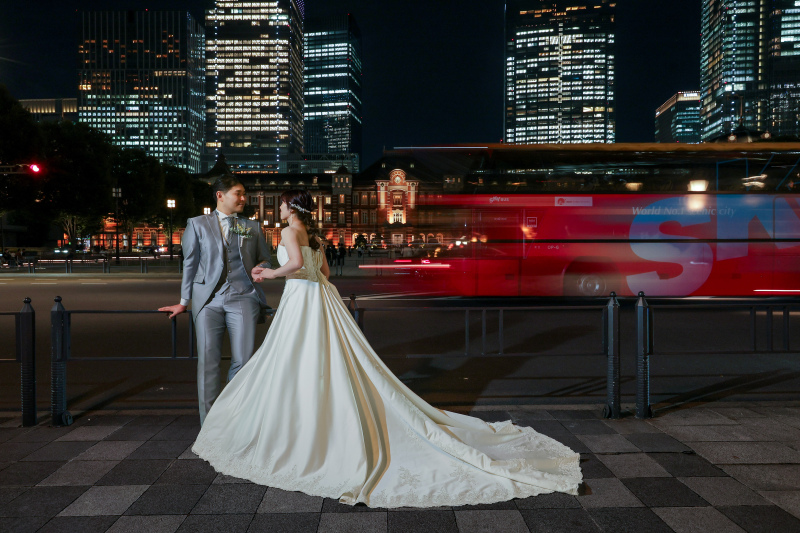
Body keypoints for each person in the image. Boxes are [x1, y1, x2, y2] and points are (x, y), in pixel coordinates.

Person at [191, 189, 582, 508]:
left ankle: (304, 416)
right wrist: (298, 272)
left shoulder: (291, 232)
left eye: (280, 204)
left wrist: (268, 272)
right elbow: (323, 273)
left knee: (293, 359)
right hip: (322, 299)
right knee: (330, 357)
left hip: (300, 298)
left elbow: (294, 264)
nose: (277, 208)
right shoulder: (317, 235)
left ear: (289, 207)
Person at [159, 176, 272, 425]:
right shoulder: (197, 224)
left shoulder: (252, 227)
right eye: (238, 193)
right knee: (208, 362)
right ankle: (209, 424)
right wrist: (183, 301)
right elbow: (189, 265)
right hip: (207, 301)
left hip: (243, 297)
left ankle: (233, 420)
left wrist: (261, 267)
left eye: (244, 194)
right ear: (220, 195)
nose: (244, 198)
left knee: (243, 362)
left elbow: (266, 258)